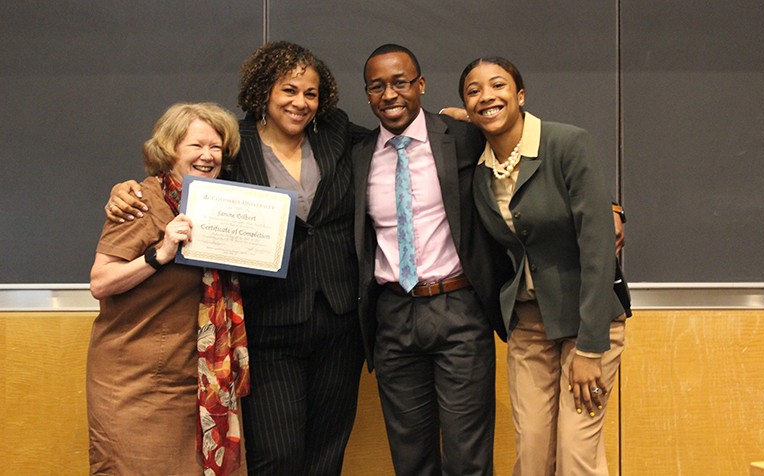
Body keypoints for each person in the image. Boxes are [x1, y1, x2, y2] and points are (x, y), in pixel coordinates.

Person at [104, 41, 368, 475]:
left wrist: (454, 121)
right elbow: (177, 174)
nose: (300, 102)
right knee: (276, 455)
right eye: (289, 90)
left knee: (327, 451)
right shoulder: (233, 145)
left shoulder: (336, 131)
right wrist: (123, 189)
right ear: (264, 90)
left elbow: (397, 138)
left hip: (339, 320)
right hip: (268, 319)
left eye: (311, 93)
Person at [459, 56, 632, 476]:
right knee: (533, 454)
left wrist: (590, 347)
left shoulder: (566, 144)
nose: (487, 96)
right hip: (529, 326)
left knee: (577, 456)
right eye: (474, 90)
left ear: (520, 95)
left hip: (587, 323)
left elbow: (597, 248)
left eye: (498, 86)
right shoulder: (480, 169)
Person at [352, 44, 512, 476]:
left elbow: (531, 156)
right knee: (411, 459)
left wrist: (611, 206)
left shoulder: (463, 136)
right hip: (393, 314)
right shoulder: (358, 154)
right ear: (367, 95)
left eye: (400, 83)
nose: (390, 94)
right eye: (377, 86)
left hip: (458, 310)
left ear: (420, 85)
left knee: (467, 459)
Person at [87, 102, 248, 475]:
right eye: (196, 146)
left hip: (197, 379)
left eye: (216, 148)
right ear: (169, 150)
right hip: (134, 384)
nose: (208, 156)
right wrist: (159, 254)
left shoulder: (221, 206)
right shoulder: (139, 203)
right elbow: (100, 282)